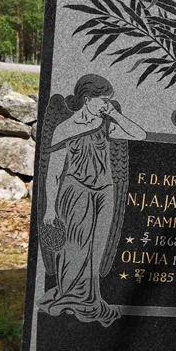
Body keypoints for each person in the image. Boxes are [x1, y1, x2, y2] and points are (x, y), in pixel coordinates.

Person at [37, 74, 146, 327]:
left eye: (109, 100)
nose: (107, 104)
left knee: (97, 249)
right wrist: (50, 208)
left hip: (105, 192)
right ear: (87, 99)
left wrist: (115, 115)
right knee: (75, 248)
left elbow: (140, 134)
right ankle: (69, 298)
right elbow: (54, 171)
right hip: (76, 191)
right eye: (103, 100)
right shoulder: (65, 128)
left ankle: (90, 300)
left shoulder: (106, 124)